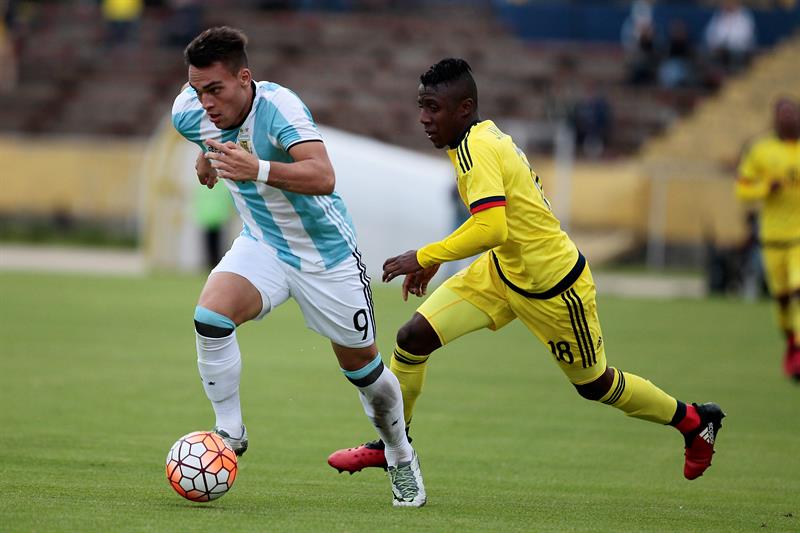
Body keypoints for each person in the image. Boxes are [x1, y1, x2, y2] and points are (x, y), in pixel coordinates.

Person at [328, 58, 725, 485]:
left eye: (433, 107)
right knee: (412, 338)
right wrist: (441, 256)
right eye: (421, 106)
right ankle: (393, 447)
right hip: (501, 273)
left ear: (464, 108)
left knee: (596, 385)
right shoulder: (475, 139)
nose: (424, 118)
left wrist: (426, 255)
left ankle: (693, 421)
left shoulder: (476, 148)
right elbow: (497, 222)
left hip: (554, 289)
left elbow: (492, 227)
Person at [171, 27, 425, 507]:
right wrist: (206, 157)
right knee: (210, 317)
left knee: (366, 375)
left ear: (245, 78)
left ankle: (399, 452)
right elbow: (205, 133)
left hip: (326, 257)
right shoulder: (189, 112)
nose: (205, 101)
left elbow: (324, 175)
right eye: (198, 89)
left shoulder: (280, 107)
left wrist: (257, 169)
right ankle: (231, 432)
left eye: (215, 89)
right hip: (263, 244)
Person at [735, 97, 800, 380]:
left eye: (792, 113)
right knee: (783, 300)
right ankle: (791, 346)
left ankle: (799, 347)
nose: (788, 118)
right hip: (773, 237)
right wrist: (765, 188)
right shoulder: (761, 150)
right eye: (782, 113)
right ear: (775, 118)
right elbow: (742, 189)